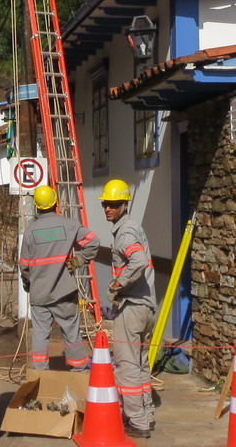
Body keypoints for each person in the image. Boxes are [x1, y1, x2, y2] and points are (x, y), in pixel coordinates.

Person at [19, 184, 98, 371]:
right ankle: (78, 370)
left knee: (40, 335)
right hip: (65, 293)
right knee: (71, 331)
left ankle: (39, 374)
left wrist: (29, 284)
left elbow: (24, 266)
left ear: (37, 207)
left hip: (40, 295)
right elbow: (93, 242)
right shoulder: (69, 225)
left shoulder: (31, 231)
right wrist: (80, 260)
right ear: (56, 203)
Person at [101, 178, 156, 438]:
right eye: (105, 204)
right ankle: (146, 416)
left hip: (132, 307)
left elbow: (138, 261)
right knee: (142, 364)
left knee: (127, 365)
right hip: (146, 307)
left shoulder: (124, 232)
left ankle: (136, 421)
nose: (107, 209)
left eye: (113, 204)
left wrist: (116, 285)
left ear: (125, 204)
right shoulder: (134, 227)